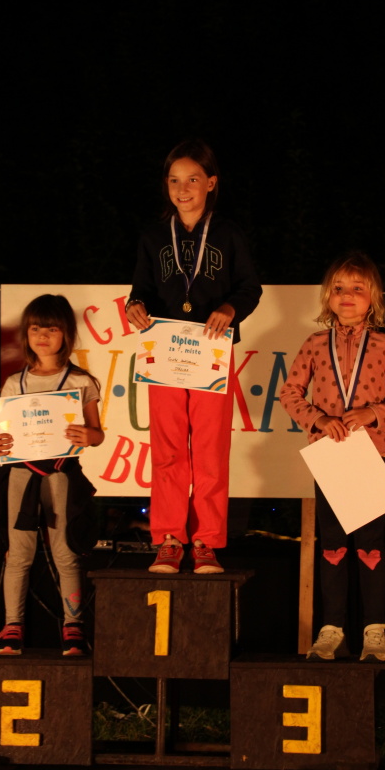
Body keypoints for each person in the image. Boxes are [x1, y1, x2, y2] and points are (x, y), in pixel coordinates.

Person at [126, 138, 262, 574]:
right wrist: (134, 307)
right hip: (165, 351)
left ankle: (206, 541)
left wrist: (230, 309)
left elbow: (250, 287)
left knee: (209, 450)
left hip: (211, 350)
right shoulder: (153, 236)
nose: (182, 189)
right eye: (174, 181)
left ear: (211, 183)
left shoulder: (228, 233)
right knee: (167, 448)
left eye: (192, 180)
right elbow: (141, 290)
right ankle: (169, 538)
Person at [280, 253, 385, 662]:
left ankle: (374, 633)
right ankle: (332, 629)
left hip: (370, 455)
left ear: (373, 297)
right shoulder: (314, 344)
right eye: (339, 288)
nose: (347, 296)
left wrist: (373, 413)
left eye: (357, 289)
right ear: (328, 296)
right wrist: (319, 419)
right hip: (330, 457)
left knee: (370, 546)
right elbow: (289, 393)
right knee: (333, 546)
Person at [0, 294, 104, 656]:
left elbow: (97, 433)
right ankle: (12, 627)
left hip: (60, 474)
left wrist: (89, 436)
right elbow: (2, 438)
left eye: (52, 329)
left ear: (65, 334)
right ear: (26, 333)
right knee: (18, 555)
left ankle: (73, 627)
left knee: (66, 552)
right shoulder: (14, 383)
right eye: (36, 328)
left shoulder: (80, 381)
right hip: (21, 477)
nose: (43, 336)